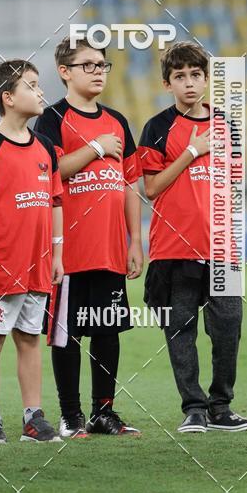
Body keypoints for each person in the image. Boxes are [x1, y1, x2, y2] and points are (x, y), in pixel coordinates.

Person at [138, 42, 247, 433]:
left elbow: (233, 185)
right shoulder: (157, 127)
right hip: (174, 249)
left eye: (195, 75)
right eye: (179, 76)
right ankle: (193, 408)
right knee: (180, 331)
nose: (188, 83)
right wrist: (191, 151)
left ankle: (221, 407)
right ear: (167, 83)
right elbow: (151, 188)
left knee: (228, 329)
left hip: (221, 249)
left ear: (206, 79)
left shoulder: (227, 125)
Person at [34, 37, 143, 439]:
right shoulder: (52, 119)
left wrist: (135, 240)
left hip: (110, 247)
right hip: (69, 250)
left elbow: (130, 184)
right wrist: (96, 147)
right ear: (64, 72)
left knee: (107, 330)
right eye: (88, 65)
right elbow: (49, 172)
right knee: (67, 333)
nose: (98, 72)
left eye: (102, 65)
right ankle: (71, 415)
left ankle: (104, 413)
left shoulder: (117, 120)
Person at [0, 60, 63, 444]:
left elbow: (55, 202)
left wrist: (57, 255)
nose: (40, 92)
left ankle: (33, 418)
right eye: (31, 85)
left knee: (30, 338)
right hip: (2, 265)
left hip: (39, 264)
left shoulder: (46, 147)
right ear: (8, 97)